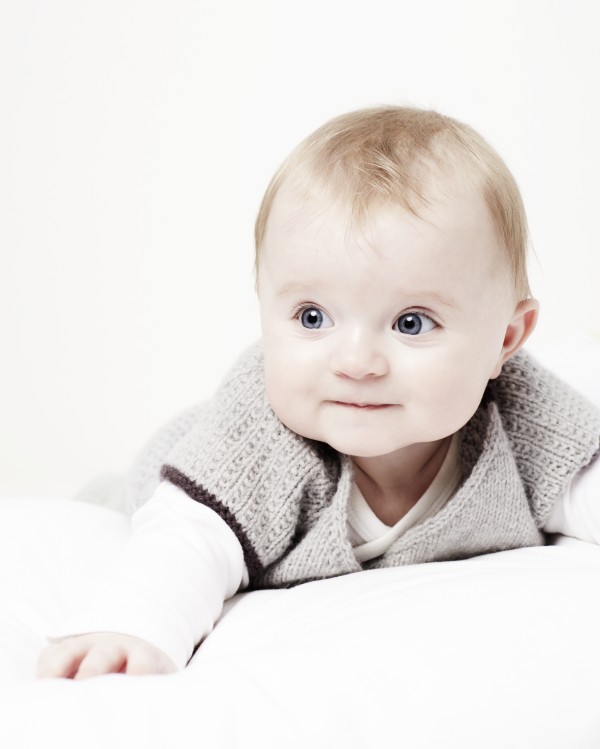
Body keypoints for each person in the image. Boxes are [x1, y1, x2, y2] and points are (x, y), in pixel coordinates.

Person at [37, 106, 600, 679]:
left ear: (505, 339)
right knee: (119, 502)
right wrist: (135, 623)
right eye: (312, 317)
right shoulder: (257, 441)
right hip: (178, 469)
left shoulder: (525, 417)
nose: (355, 362)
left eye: (411, 323)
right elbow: (190, 539)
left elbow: (584, 476)